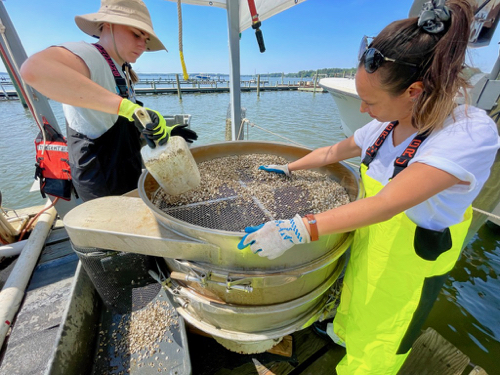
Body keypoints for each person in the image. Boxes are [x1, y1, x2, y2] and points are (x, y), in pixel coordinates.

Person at [238, 0, 500, 374]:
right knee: (355, 296)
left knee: (382, 336)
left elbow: (390, 202)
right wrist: (288, 166)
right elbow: (334, 150)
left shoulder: (469, 133)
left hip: (409, 259)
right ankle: (343, 334)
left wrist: (297, 228)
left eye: (369, 101)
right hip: (370, 239)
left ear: (414, 91)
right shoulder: (387, 122)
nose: (362, 110)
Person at [20, 0, 197, 202]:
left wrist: (156, 129)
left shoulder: (122, 69)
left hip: (125, 171)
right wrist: (124, 107)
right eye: (136, 34)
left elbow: (109, 121)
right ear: (108, 25)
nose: (142, 44)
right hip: (101, 184)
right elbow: (33, 69)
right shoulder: (91, 55)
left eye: (146, 39)